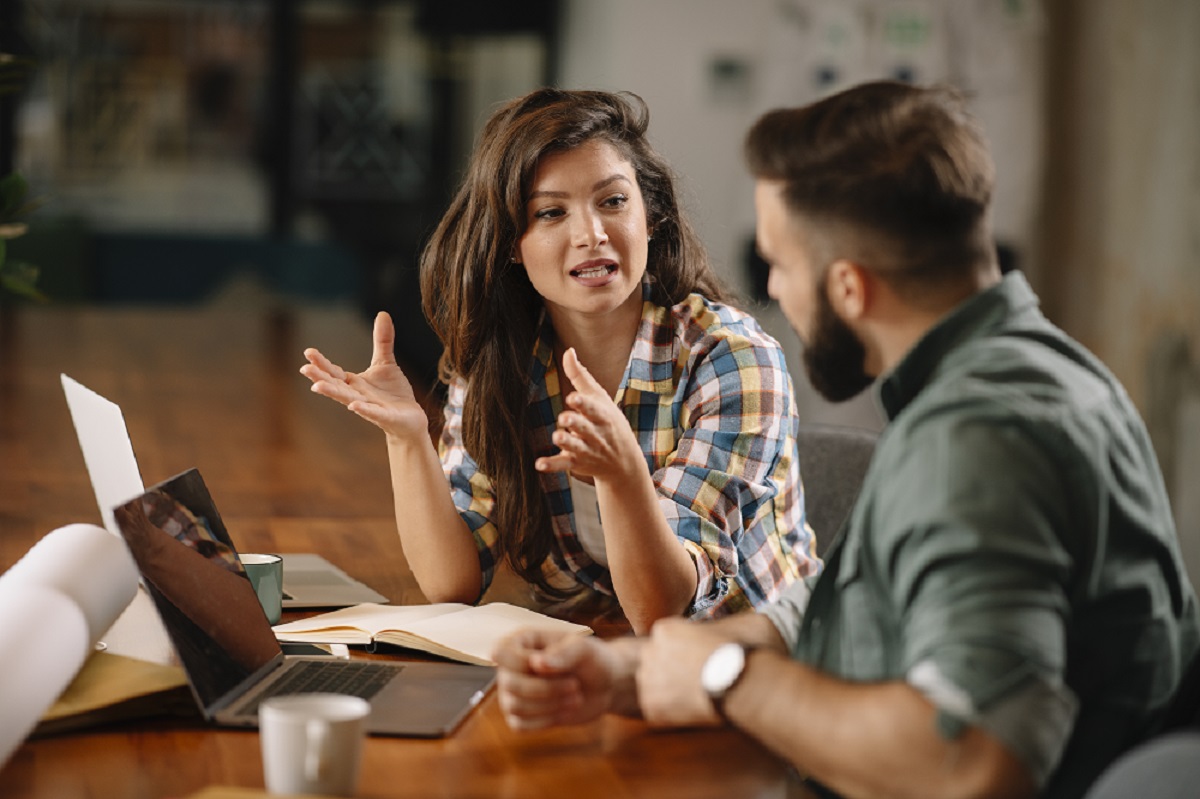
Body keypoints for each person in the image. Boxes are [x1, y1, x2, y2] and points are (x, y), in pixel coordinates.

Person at [491, 81, 1200, 799]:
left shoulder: (976, 443)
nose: (774, 289)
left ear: (850, 288)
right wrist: (638, 671)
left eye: (782, 264)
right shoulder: (1038, 370)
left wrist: (725, 677)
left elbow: (973, 761)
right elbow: (849, 603)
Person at [300, 88, 818, 634]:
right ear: (510, 245)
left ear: (653, 216)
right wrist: (408, 438)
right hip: (611, 651)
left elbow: (664, 608)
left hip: (760, 663)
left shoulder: (732, 359)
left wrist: (622, 476)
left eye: (613, 202)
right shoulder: (505, 362)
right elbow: (451, 583)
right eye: (550, 212)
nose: (591, 234)